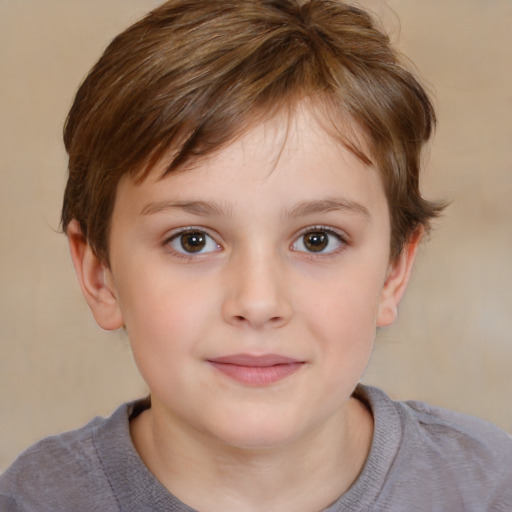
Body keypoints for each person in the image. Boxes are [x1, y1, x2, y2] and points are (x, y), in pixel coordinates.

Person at [1, 0, 511, 510]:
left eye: (317, 239)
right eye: (193, 240)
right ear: (100, 275)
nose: (259, 301)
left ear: (393, 273)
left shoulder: (491, 490)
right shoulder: (32, 500)